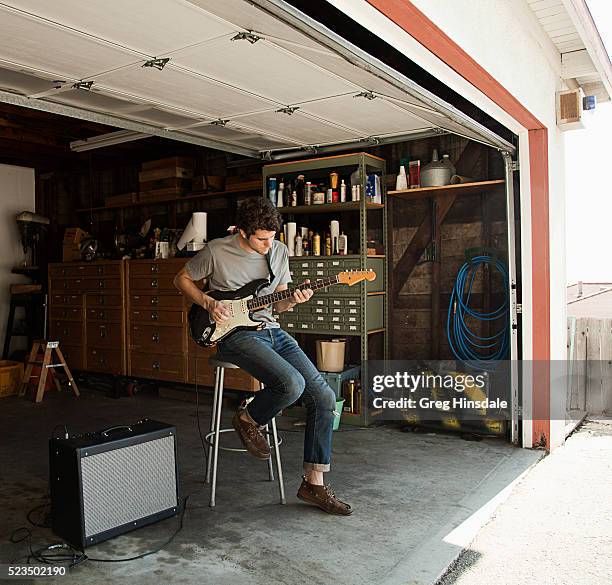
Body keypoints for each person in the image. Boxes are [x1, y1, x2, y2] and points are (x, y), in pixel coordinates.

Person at [173, 198, 352, 515]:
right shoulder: (217, 251)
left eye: (272, 237)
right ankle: (246, 418)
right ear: (242, 232)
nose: (269, 245)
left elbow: (278, 305)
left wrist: (294, 300)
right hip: (232, 334)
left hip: (271, 330)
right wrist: (207, 302)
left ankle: (314, 484)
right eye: (261, 239)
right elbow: (181, 279)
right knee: (290, 384)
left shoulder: (279, 252)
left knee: (323, 396)